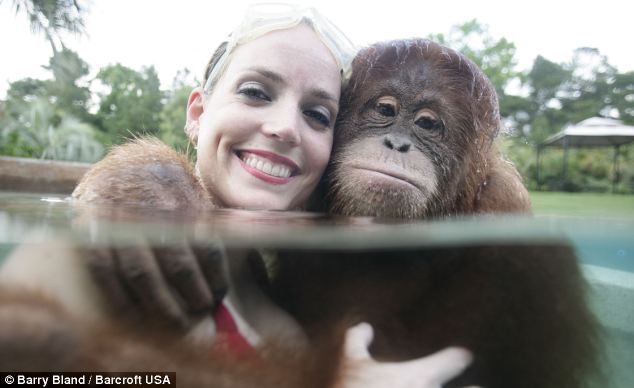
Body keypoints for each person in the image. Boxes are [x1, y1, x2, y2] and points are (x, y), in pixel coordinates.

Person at [1, 4, 472, 387]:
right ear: (197, 113)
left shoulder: (284, 330)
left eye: (317, 115)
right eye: (256, 92)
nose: (285, 128)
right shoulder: (106, 243)